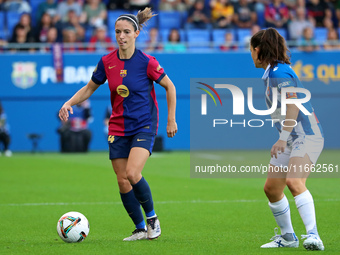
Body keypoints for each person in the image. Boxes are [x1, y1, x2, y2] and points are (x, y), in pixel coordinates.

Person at [59, 8, 177, 241]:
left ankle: (153, 219)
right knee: (122, 179)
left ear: (136, 33)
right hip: (118, 126)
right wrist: (69, 102)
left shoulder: (147, 62)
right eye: (117, 32)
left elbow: (170, 87)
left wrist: (171, 119)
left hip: (144, 123)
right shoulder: (107, 62)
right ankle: (140, 228)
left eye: (125, 32)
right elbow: (89, 89)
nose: (121, 36)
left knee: (133, 173)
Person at [249, 27, 324, 250]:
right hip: (293, 138)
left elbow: (292, 105)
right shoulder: (274, 72)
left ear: (259, 49)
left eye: (251, 50)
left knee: (294, 182)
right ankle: (288, 238)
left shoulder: (279, 74)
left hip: (307, 135)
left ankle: (313, 236)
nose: (251, 55)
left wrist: (282, 138)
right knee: (272, 189)